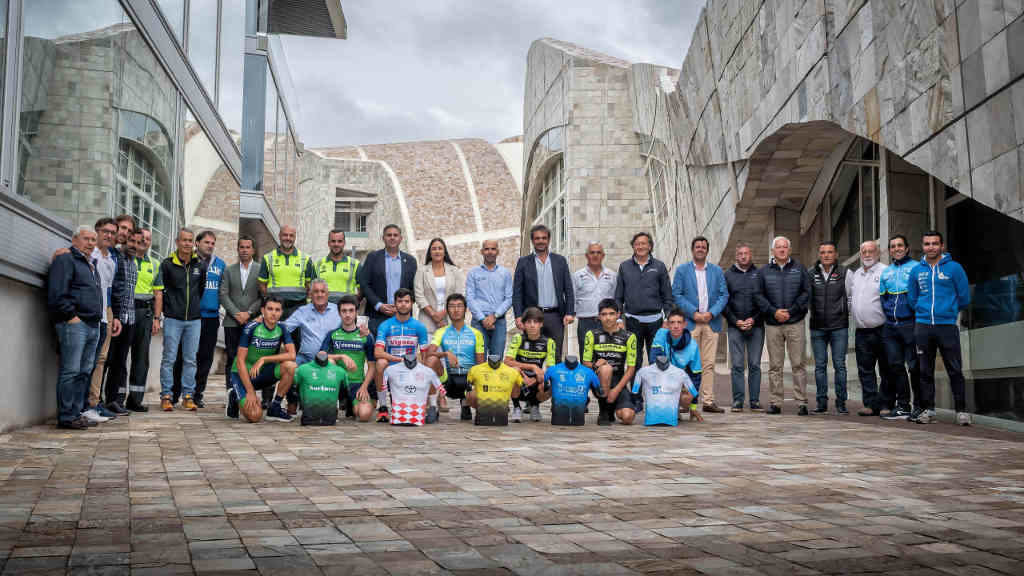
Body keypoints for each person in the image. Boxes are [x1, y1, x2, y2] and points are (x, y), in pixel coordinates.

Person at [907, 231, 971, 425]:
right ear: (923, 246)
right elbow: (912, 298)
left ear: (942, 246)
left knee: (955, 369)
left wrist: (948, 312)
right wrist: (921, 310)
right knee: (925, 370)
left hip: (947, 326)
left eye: (935, 243)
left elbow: (964, 297)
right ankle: (928, 409)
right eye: (927, 244)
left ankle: (961, 411)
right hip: (923, 326)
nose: (931, 247)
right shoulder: (917, 270)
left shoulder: (954, 268)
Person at [48, 226, 103, 429]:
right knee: (70, 371)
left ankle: (76, 412)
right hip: (74, 324)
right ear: (74, 240)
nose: (90, 243)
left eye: (93, 240)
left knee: (84, 371)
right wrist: (71, 317)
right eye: (86, 238)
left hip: (92, 324)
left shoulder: (91, 264)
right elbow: (57, 292)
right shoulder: (66, 259)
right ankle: (66, 416)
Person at [672, 235, 729, 413]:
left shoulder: (717, 271)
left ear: (707, 250)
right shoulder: (682, 271)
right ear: (692, 249)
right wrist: (694, 313)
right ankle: (686, 401)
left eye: (703, 247)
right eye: (697, 246)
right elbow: (677, 295)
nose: (700, 249)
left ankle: (708, 401)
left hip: (711, 323)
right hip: (690, 323)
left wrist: (711, 313)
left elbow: (723, 295)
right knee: (687, 363)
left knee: (708, 363)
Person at [755, 236, 810, 415]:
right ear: (773, 251)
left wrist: (791, 311)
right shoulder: (763, 272)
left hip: (795, 323)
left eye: (785, 247)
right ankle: (775, 402)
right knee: (775, 366)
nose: (781, 250)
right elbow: (758, 296)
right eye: (778, 247)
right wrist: (774, 312)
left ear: (789, 250)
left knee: (798, 364)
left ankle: (802, 402)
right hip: (773, 324)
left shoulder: (799, 269)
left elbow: (806, 293)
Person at [153, 228, 206, 412]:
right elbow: (159, 291)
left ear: (193, 243)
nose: (187, 243)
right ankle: (166, 396)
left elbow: (200, 289)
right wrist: (158, 317)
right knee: (169, 358)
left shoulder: (200, 265)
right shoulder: (167, 264)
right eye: (184, 240)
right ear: (177, 242)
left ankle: (188, 396)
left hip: (194, 320)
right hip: (173, 319)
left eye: (190, 240)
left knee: (191, 360)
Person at [225, 296, 298, 423]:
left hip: (263, 373)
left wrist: (264, 359)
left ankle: (275, 408)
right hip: (243, 375)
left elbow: (292, 355)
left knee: (291, 366)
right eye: (270, 309)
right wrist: (250, 392)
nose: (273, 313)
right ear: (263, 310)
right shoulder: (251, 328)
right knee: (255, 416)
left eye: (277, 310)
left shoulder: (282, 328)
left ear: (281, 312)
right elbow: (240, 361)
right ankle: (234, 395)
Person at [172, 230, 225, 407]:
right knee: (184, 355)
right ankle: (175, 392)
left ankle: (197, 394)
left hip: (211, 317)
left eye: (212, 243)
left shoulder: (220, 265)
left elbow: (222, 291)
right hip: (190, 316)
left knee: (205, 357)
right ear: (197, 243)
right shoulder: (189, 261)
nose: (210, 246)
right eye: (206, 242)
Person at [512, 224, 574, 362]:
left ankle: (553, 383)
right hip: (531, 318)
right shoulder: (523, 262)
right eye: (537, 238)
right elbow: (517, 292)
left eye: (544, 238)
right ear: (532, 241)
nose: (541, 241)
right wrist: (518, 316)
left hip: (555, 317)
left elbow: (568, 289)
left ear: (549, 240)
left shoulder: (560, 261)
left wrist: (570, 312)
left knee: (556, 355)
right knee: (529, 355)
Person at [281, 279, 342, 413]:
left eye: (322, 291)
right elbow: (284, 328)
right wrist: (266, 322)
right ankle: (291, 402)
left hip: (330, 358)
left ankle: (332, 406)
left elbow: (351, 326)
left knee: (332, 365)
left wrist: (362, 330)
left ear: (328, 294)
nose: (319, 294)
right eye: (315, 291)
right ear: (310, 294)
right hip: (305, 358)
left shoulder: (338, 311)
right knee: (289, 366)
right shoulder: (302, 311)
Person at [879, 234, 920, 420]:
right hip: (890, 327)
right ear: (889, 250)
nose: (896, 248)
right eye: (893, 246)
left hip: (910, 324)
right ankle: (903, 405)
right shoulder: (886, 272)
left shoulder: (917, 267)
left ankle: (920, 406)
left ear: (907, 248)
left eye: (900, 245)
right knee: (895, 366)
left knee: (914, 366)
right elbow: (883, 298)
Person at [615, 232, 673, 365]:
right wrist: (618, 318)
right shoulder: (624, 267)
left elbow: (667, 295)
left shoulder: (659, 266)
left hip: (656, 323)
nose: (640, 246)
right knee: (634, 361)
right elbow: (618, 296)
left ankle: (655, 387)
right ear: (633, 247)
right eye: (637, 244)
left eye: (643, 243)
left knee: (657, 360)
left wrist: (667, 318)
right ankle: (636, 386)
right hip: (632, 322)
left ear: (650, 246)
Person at [424, 293, 484, 421]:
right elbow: (428, 354)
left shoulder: (476, 333)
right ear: (447, 310)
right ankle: (433, 407)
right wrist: (445, 354)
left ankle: (466, 403)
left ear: (465, 309)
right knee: (431, 360)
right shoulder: (441, 331)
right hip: (448, 379)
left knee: (480, 378)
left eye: (459, 306)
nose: (456, 310)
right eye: (451, 306)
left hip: (468, 379)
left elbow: (481, 364)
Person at [373, 288, 429, 422]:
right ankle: (383, 408)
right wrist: (400, 359)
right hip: (391, 368)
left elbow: (425, 356)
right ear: (395, 303)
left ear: (412, 304)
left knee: (408, 413)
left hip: (411, 369)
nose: (403, 304)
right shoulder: (385, 325)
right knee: (380, 363)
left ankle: (423, 402)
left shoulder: (420, 327)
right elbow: (377, 352)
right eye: (400, 301)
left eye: (406, 301)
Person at [86, 217, 123, 422]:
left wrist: (113, 315)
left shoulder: (112, 259)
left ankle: (94, 402)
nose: (109, 235)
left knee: (101, 358)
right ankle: (81, 404)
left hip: (105, 312)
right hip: (87, 311)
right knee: (86, 359)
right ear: (97, 231)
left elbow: (109, 289)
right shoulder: (88, 253)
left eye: (112, 232)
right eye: (105, 231)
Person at [846, 240, 888, 417]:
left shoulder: (885, 271)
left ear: (878, 253)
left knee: (886, 368)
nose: (867, 254)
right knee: (865, 369)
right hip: (862, 331)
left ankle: (886, 404)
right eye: (864, 251)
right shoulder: (855, 275)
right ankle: (869, 404)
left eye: (871, 251)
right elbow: (850, 298)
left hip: (883, 329)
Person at [808, 241, 850, 414]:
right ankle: (821, 403)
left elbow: (851, 296)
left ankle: (841, 403)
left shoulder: (845, 273)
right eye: (823, 252)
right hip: (817, 327)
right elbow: (806, 297)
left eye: (830, 252)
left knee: (839, 365)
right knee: (820, 366)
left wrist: (844, 313)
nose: (826, 255)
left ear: (836, 255)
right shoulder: (811, 273)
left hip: (839, 327)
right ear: (819, 254)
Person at [582, 299, 639, 425]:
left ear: (618, 314)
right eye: (604, 314)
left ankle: (611, 408)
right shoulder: (591, 334)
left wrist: (616, 390)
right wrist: (596, 365)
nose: (608, 318)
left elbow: (631, 369)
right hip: (597, 381)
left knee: (628, 417)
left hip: (618, 382)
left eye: (611, 314)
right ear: (599, 316)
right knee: (606, 369)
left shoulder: (629, 337)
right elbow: (585, 362)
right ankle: (603, 411)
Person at [220, 235, 263, 400]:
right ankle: (232, 394)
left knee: (252, 358)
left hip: (253, 322)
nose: (244, 250)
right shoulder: (228, 270)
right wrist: (237, 313)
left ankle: (250, 393)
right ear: (237, 249)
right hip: (232, 322)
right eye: (241, 247)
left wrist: (249, 313)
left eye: (247, 247)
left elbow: (262, 296)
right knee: (232, 358)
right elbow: (223, 294)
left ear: (253, 250)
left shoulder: (260, 270)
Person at [322, 295, 377, 422]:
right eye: (344, 311)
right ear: (339, 313)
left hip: (356, 383)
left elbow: (372, 366)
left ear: (356, 312)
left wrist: (364, 387)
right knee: (329, 361)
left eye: (351, 311)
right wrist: (341, 355)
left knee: (364, 415)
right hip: (336, 384)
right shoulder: (332, 334)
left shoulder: (365, 336)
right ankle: (334, 404)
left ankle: (350, 406)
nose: (347, 315)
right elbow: (321, 356)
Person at [722, 242, 764, 412]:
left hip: (756, 326)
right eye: (740, 254)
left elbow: (764, 301)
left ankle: (754, 401)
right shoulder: (727, 275)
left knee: (755, 364)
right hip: (735, 327)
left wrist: (754, 319)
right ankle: (738, 401)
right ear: (736, 256)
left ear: (751, 255)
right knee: (737, 365)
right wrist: (735, 321)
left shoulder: (759, 274)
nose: (744, 256)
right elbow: (724, 302)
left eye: (746, 253)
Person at [103, 229, 139, 414]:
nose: (134, 245)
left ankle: (112, 400)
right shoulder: (118, 259)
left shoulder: (134, 263)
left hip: (129, 319)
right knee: (106, 361)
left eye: (138, 242)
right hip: (116, 317)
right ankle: (98, 400)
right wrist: (116, 315)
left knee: (120, 362)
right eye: (131, 241)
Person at [358, 224, 417, 337]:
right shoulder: (373, 258)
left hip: (402, 316)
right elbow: (364, 284)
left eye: (395, 235)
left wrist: (402, 306)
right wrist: (378, 305)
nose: (392, 238)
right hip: (376, 316)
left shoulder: (410, 261)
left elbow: (414, 288)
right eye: (389, 235)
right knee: (375, 351)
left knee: (402, 352)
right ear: (383, 238)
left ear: (400, 238)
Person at [505, 306, 557, 422]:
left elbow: (551, 368)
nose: (532, 325)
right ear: (523, 324)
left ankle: (535, 406)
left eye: (536, 322)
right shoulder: (518, 338)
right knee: (514, 372)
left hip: (535, 380)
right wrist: (531, 368)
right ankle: (516, 407)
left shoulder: (549, 342)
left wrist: (539, 378)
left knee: (552, 381)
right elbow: (507, 362)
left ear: (541, 324)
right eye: (529, 322)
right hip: (520, 379)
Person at [465, 239, 513, 356]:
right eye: (486, 249)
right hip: (478, 322)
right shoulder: (473, 273)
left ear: (498, 252)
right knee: (478, 359)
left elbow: (509, 298)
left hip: (499, 322)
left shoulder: (505, 273)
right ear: (482, 251)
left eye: (493, 249)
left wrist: (494, 316)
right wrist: (483, 319)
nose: (490, 252)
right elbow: (470, 298)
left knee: (496, 360)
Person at [258, 225, 315, 321]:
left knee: (296, 336)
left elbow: (311, 286)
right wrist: (271, 301)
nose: (288, 238)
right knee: (276, 335)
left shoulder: (306, 259)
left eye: (291, 235)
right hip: (275, 308)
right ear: (279, 236)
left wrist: (307, 306)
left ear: (295, 237)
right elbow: (262, 284)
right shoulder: (268, 258)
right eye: (285, 235)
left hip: (298, 307)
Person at [649, 308, 704, 405]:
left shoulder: (692, 346)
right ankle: (663, 406)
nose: (675, 326)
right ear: (668, 325)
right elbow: (654, 360)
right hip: (662, 378)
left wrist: (693, 405)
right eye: (672, 322)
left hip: (680, 380)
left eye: (679, 322)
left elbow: (696, 375)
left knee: (687, 397)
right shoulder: (661, 334)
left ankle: (676, 406)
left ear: (685, 325)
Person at [127, 228, 156, 412]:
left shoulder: (155, 263)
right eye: (141, 238)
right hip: (125, 310)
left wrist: (157, 317)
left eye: (147, 239)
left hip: (144, 313)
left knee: (141, 359)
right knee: (119, 358)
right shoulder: (126, 259)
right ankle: (116, 397)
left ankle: (135, 400)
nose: (144, 241)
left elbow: (159, 293)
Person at [414, 237, 466, 336]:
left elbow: (460, 294)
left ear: (444, 251)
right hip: (427, 321)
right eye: (434, 249)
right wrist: (434, 315)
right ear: (429, 252)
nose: (437, 251)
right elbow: (419, 296)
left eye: (440, 248)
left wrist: (443, 313)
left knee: (450, 351)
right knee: (430, 351)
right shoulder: (422, 271)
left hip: (450, 319)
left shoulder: (454, 271)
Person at [572, 242, 617, 356]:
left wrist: (618, 320)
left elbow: (616, 299)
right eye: (592, 252)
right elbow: (572, 298)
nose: (595, 255)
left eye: (598, 252)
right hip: (585, 322)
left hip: (608, 322)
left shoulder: (612, 275)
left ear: (603, 255)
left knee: (608, 356)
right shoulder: (577, 276)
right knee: (586, 356)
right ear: (587, 255)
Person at [632, 356, 701, 426]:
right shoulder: (643, 372)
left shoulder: (680, 373)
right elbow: (635, 390)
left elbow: (693, 392)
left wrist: (692, 406)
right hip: (651, 420)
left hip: (671, 421)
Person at [381, 354, 442, 426]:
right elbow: (378, 353)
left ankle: (433, 407)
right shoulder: (390, 369)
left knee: (427, 372)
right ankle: (383, 408)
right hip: (396, 368)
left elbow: (425, 352)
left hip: (416, 368)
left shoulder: (426, 370)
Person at [538, 357, 601, 426]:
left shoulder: (588, 372)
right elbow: (541, 385)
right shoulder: (552, 370)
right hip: (558, 415)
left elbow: (599, 391)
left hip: (578, 417)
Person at [293, 351, 347, 426]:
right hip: (315, 419)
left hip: (327, 420)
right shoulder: (341, 371)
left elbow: (295, 388)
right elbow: (345, 393)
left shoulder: (301, 369)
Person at [467, 357, 523, 425]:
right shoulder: (475, 369)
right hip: (482, 416)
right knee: (471, 393)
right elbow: (468, 386)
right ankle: (484, 410)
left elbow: (522, 386)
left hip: (502, 417)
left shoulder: (512, 371)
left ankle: (507, 408)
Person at [316, 229, 361, 304]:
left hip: (346, 311)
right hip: (323, 310)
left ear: (344, 243)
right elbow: (313, 290)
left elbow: (361, 290)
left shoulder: (355, 264)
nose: (336, 244)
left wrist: (353, 304)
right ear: (328, 243)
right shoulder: (318, 264)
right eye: (333, 241)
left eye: (339, 241)